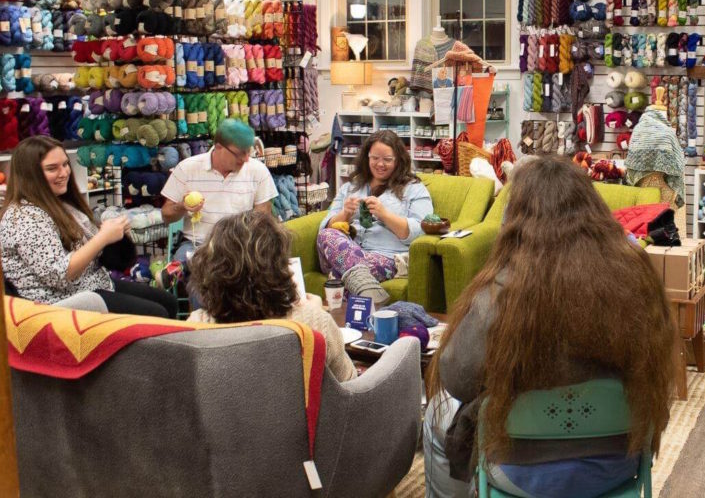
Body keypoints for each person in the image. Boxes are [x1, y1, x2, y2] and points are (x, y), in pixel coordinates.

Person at [423, 156, 677, 498]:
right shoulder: (637, 277)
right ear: (595, 211)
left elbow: (457, 379)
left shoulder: (500, 292)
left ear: (515, 221)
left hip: (518, 474)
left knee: (436, 415)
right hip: (618, 464)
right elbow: (658, 374)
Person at [0, 136, 176, 317]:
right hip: (59, 302)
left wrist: (114, 236)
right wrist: (102, 238)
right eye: (52, 168)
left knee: (168, 302)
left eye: (65, 164)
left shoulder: (61, 204)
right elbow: (58, 276)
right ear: (30, 174)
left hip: (91, 284)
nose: (64, 173)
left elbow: (92, 256)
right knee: (158, 314)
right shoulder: (24, 217)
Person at [186, 211, 356, 383]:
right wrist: (313, 314)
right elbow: (349, 386)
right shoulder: (314, 323)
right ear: (279, 266)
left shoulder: (195, 326)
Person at [317, 129, 432, 305]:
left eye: (387, 160)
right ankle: (373, 297)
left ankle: (349, 323)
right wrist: (345, 213)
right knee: (327, 235)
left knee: (339, 275)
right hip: (348, 250)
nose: (380, 164)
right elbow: (327, 229)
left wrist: (384, 214)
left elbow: (421, 232)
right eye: (375, 158)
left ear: (398, 160)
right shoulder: (351, 187)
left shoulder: (414, 189)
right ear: (367, 157)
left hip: (386, 257)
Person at [160, 118, 278, 273]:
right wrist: (182, 206)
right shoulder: (187, 169)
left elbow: (263, 219)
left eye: (248, 152)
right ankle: (181, 270)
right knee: (200, 275)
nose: (245, 159)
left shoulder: (258, 171)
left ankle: (181, 271)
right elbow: (166, 215)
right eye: (239, 154)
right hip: (197, 244)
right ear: (218, 147)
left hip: (240, 246)